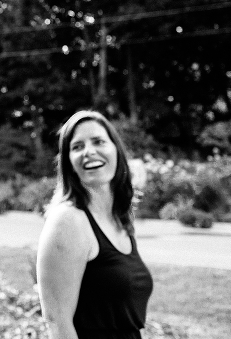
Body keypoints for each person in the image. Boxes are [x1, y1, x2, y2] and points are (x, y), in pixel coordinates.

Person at [36, 110, 153, 339]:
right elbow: (58, 323)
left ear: (116, 150)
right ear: (69, 162)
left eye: (98, 141)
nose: (89, 151)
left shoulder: (118, 218)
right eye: (77, 146)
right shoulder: (68, 221)